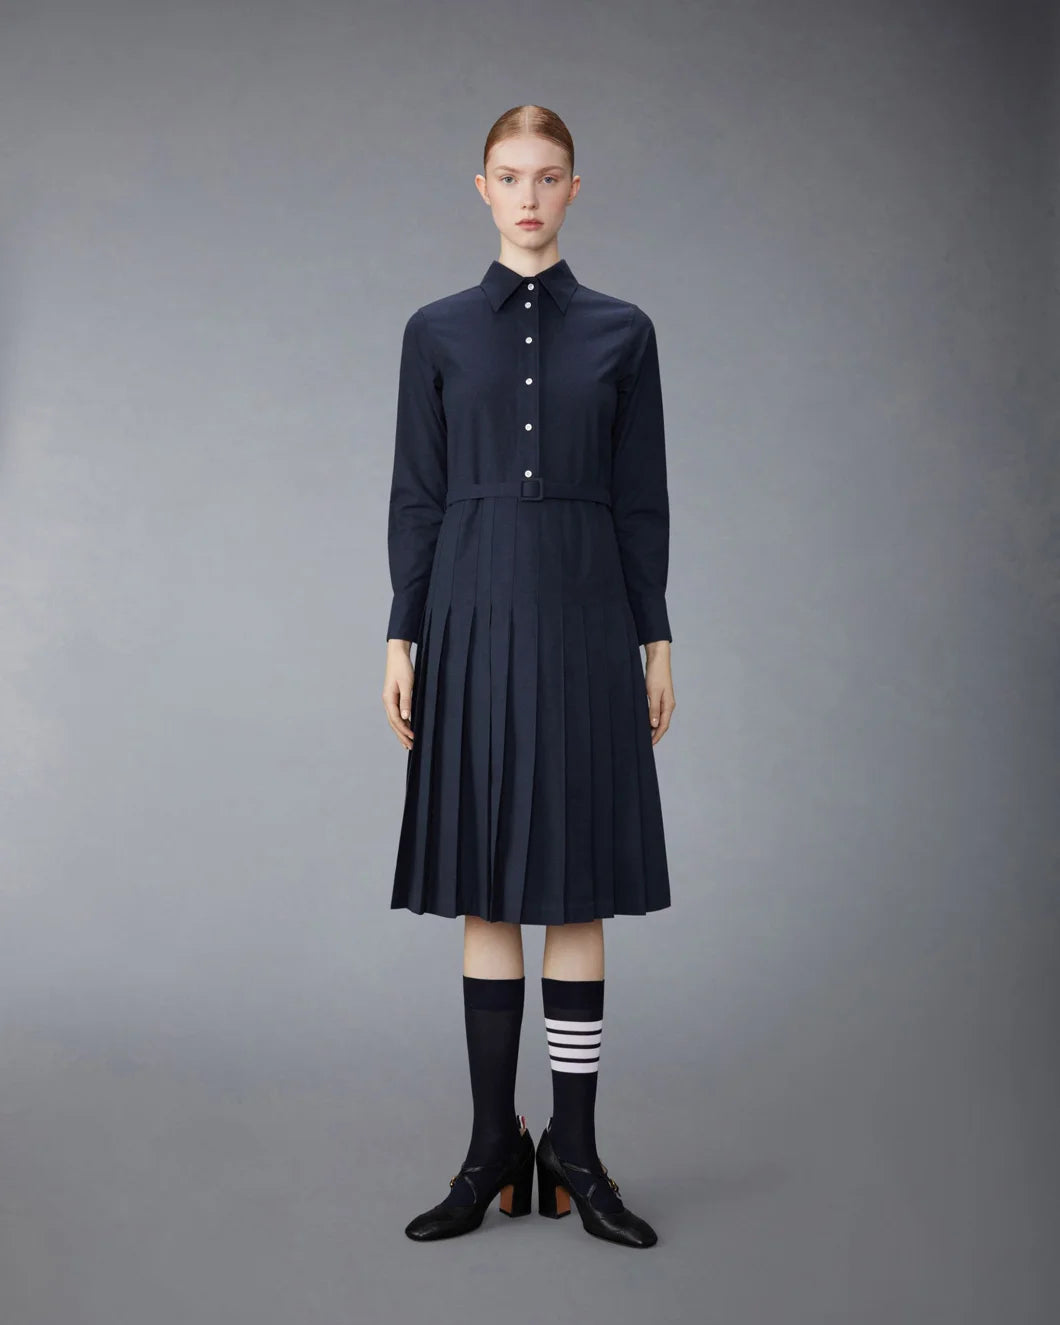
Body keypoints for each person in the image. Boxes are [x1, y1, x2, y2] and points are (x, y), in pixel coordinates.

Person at [381, 105, 676, 1249]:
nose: (529, 197)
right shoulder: (435, 331)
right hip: (468, 615)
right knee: (486, 890)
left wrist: (656, 637)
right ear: (482, 187)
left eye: (548, 178)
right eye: (510, 177)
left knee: (579, 888)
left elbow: (642, 498)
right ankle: (490, 1147)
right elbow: (416, 493)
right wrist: (401, 634)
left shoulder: (624, 332)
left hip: (589, 619)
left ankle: (579, 1152)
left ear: (573, 189)